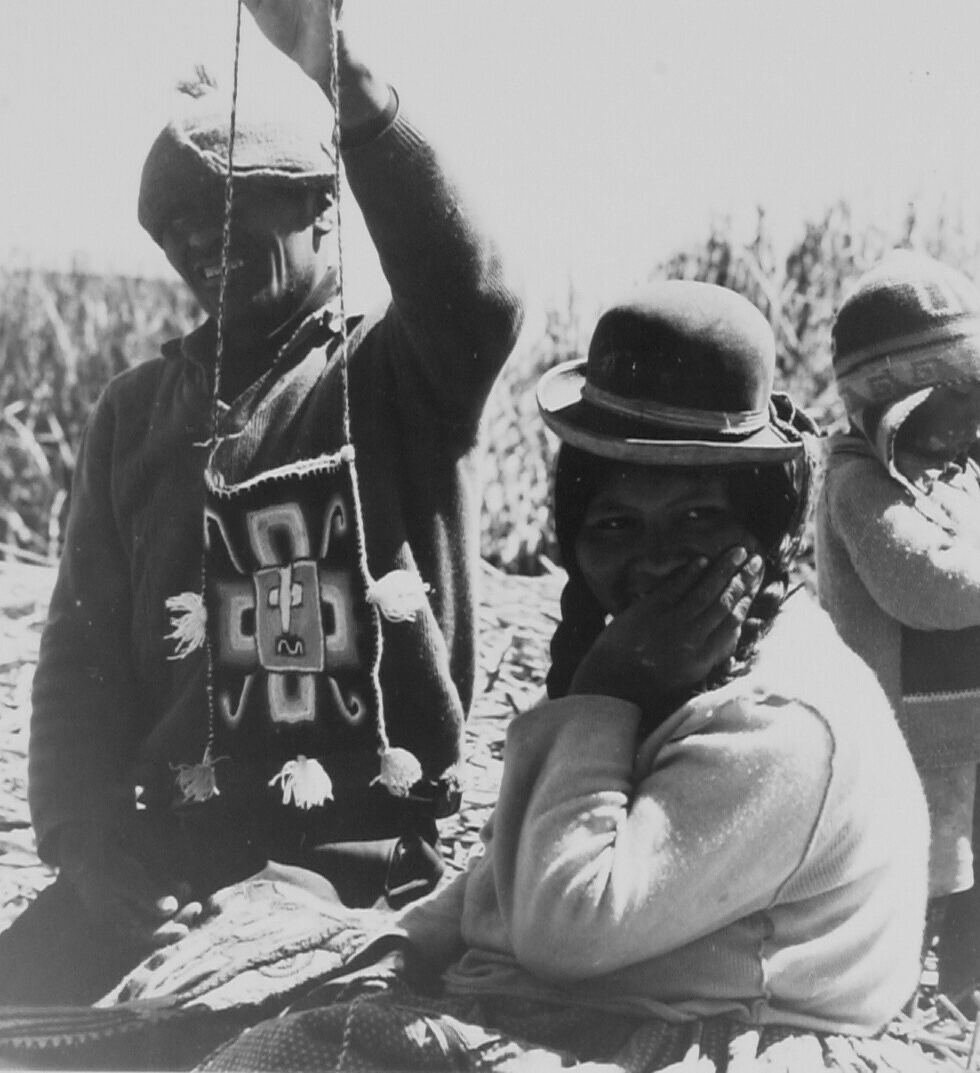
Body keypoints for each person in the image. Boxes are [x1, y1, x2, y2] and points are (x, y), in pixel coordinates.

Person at [199, 280, 932, 1073]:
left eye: (697, 519)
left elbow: (564, 928)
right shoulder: (674, 668)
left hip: (704, 1036)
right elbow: (504, 873)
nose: (653, 559)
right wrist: (402, 945)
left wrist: (601, 695)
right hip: (604, 1001)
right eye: (615, 524)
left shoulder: (778, 719)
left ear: (765, 528)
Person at [0, 0, 523, 1005]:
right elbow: (79, 655)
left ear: (322, 206)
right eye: (176, 226)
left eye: (233, 205)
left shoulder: (395, 377)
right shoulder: (134, 412)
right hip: (168, 845)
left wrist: (343, 77)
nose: (202, 239)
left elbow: (476, 297)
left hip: (350, 847)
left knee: (207, 1023)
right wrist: (87, 844)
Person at [816, 249, 980, 1012]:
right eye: (960, 402)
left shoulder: (953, 471)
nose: (974, 424)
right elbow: (924, 582)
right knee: (921, 873)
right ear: (897, 395)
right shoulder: (863, 482)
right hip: (917, 736)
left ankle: (966, 994)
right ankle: (884, 996)